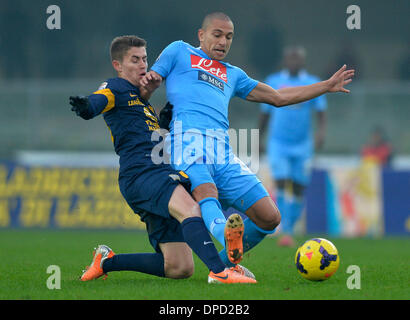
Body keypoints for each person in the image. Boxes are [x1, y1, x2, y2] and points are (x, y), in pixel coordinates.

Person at [140, 12, 354, 273]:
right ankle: (224, 240)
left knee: (270, 217)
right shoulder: (179, 51)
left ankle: (222, 265)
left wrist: (325, 85)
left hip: (223, 150)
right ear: (201, 34)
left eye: (229, 37)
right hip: (185, 141)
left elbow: (278, 97)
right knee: (206, 192)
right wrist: (148, 87)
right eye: (217, 35)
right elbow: (145, 87)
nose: (223, 42)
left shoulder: (234, 74)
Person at [69, 35, 256, 284]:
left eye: (145, 59)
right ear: (118, 65)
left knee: (179, 267)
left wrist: (163, 126)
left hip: (157, 172)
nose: (143, 65)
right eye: (134, 60)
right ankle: (221, 272)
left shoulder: (141, 102)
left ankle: (106, 261)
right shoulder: (116, 87)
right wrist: (87, 106)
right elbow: (100, 99)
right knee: (192, 209)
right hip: (142, 175)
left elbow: (148, 137)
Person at [258, 46, 327, 247]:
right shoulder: (273, 81)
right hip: (278, 143)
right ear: (285, 60)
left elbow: (321, 111)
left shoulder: (312, 82)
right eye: (291, 58)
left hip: (303, 144)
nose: (294, 62)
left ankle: (290, 225)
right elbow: (265, 112)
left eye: (297, 59)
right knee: (281, 182)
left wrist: (321, 132)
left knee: (298, 187)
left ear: (303, 61)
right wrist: (259, 137)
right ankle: (285, 230)